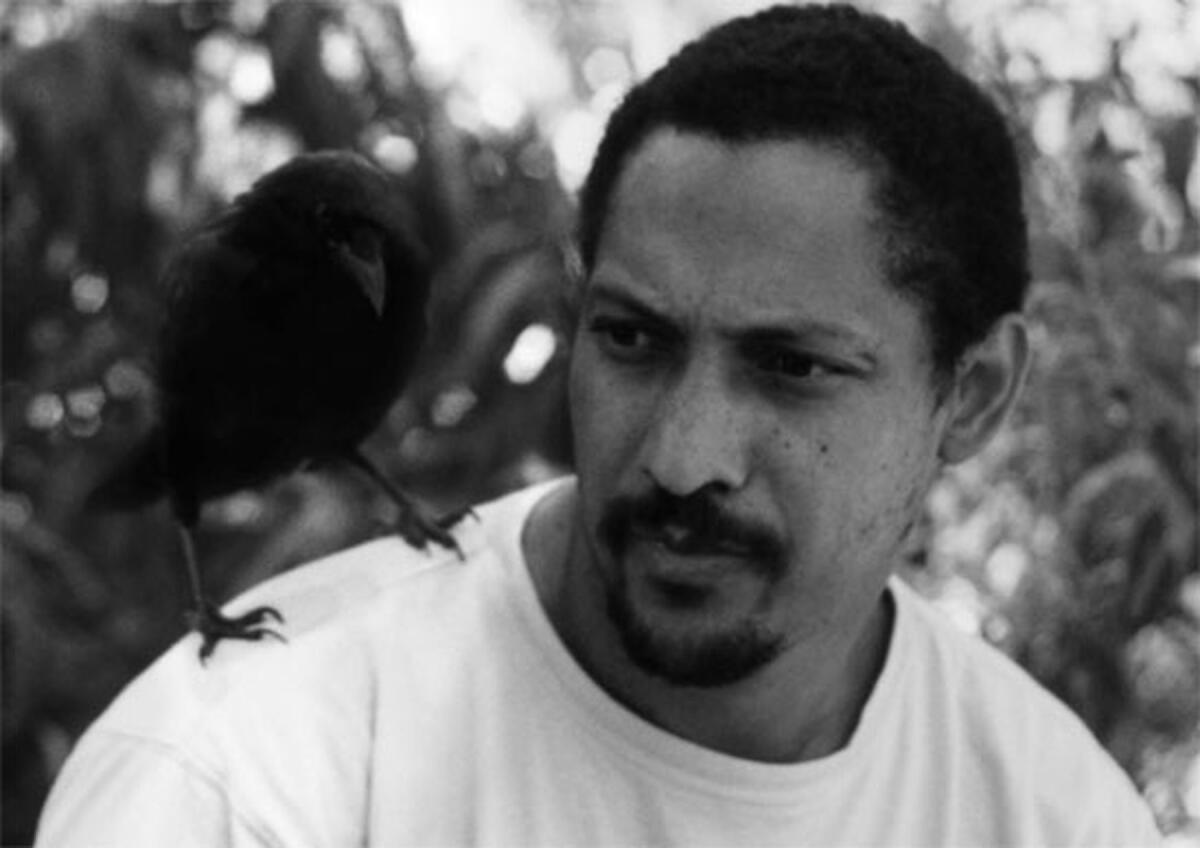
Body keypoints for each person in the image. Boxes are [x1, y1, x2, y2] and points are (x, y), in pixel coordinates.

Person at [37, 5, 1162, 846]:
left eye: (792, 367)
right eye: (633, 339)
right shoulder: (238, 778)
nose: (682, 452)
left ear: (971, 395)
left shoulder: (1056, 812)